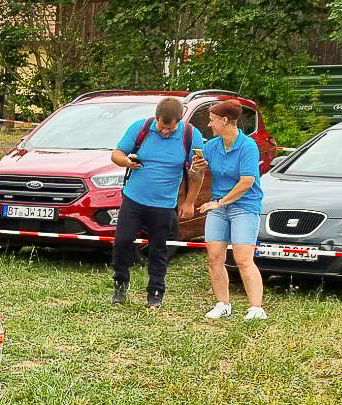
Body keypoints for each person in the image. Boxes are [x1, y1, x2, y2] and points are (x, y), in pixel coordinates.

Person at [109, 96, 201, 308]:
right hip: (134, 199)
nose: (165, 131)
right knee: (122, 242)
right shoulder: (140, 127)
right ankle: (120, 283)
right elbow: (116, 154)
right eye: (161, 126)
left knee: (159, 249)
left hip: (165, 204)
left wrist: (189, 202)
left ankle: (155, 292)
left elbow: (197, 173)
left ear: (179, 121)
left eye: (170, 128)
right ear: (156, 118)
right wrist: (126, 161)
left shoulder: (190, 135)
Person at [195, 101, 266, 321]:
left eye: (212, 119)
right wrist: (195, 170)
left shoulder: (248, 146)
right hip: (219, 206)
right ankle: (223, 304)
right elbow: (198, 174)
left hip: (244, 207)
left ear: (225, 120)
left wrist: (220, 203)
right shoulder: (212, 146)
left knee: (243, 259)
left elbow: (246, 182)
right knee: (214, 257)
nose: (209, 124)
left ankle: (256, 308)